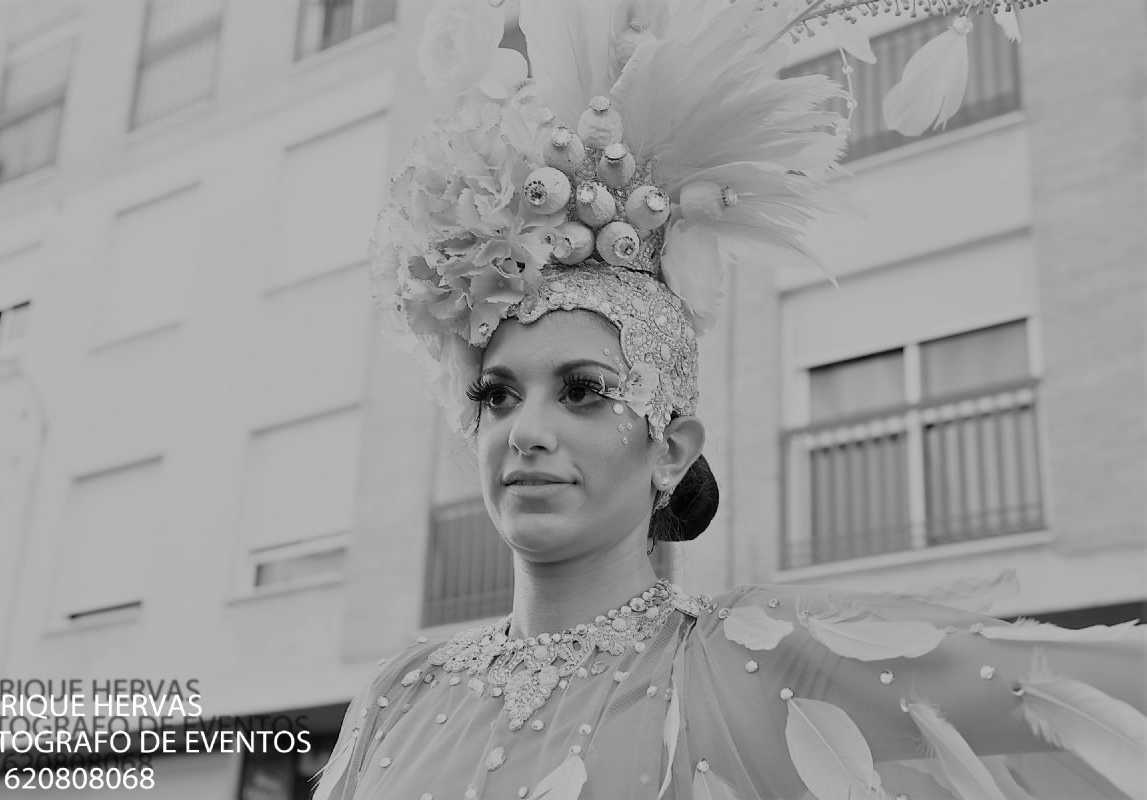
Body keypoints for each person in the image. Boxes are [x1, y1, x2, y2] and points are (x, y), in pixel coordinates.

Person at [316, 1, 1147, 798]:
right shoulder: (401, 693)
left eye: (584, 392)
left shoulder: (745, 665)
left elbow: (1089, 688)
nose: (527, 432)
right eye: (499, 396)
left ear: (669, 448)